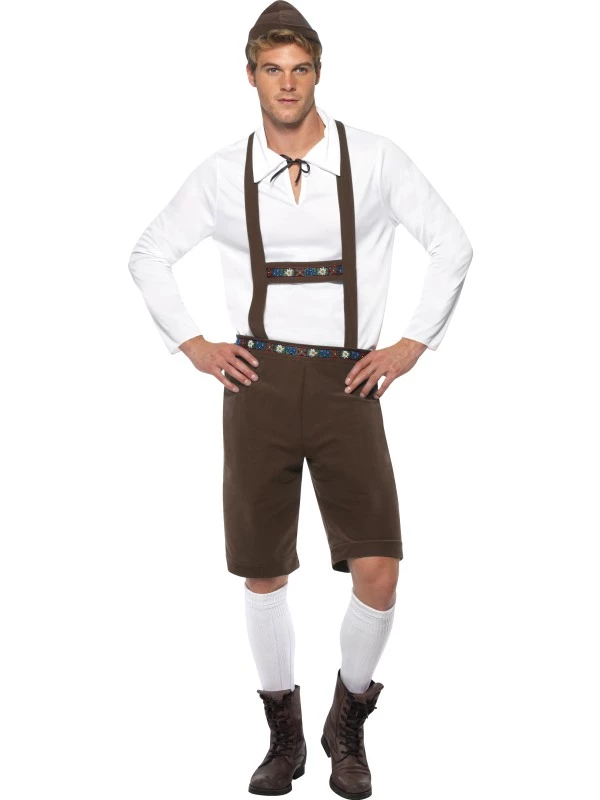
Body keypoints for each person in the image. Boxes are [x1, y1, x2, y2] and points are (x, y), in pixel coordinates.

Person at [128, 2, 473, 796]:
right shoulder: (223, 172)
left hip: (352, 382)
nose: (287, 84)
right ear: (251, 76)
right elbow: (148, 254)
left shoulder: (374, 159)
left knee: (378, 569)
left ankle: (347, 721)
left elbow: (453, 245)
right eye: (272, 70)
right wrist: (194, 345)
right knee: (263, 572)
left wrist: (412, 343)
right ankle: (283, 734)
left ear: (318, 73)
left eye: (300, 69)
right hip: (258, 384)